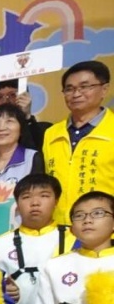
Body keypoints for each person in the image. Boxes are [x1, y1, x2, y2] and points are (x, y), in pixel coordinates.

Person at [0, 174, 72, 304]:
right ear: (17, 203)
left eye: (44, 196)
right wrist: (1, 290)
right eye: (26, 197)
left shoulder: (76, 240)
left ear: (56, 201)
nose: (35, 203)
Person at [35, 191, 114, 304]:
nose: (87, 220)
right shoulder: (54, 266)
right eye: (79, 215)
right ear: (72, 228)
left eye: (98, 213)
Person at [43, 60, 113, 221]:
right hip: (59, 227)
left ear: (104, 89)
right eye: (69, 89)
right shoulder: (51, 133)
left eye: (84, 87)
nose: (76, 94)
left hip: (103, 228)